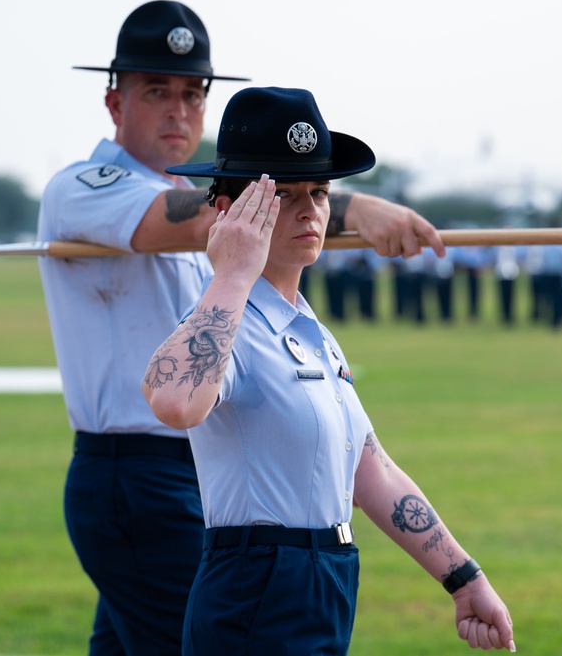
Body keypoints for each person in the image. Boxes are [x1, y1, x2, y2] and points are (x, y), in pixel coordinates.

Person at [36, 1, 446, 656]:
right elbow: (189, 215)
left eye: (193, 93)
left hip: (205, 464)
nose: (179, 110)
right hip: (136, 467)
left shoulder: (225, 205)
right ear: (114, 102)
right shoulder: (86, 187)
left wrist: (311, 201)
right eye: (156, 91)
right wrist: (345, 201)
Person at [142, 86, 515, 655]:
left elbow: (371, 472)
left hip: (327, 576)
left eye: (318, 192)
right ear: (228, 209)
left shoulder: (309, 330)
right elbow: (173, 402)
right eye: (283, 195)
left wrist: (464, 578)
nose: (310, 211)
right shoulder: (223, 318)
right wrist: (234, 273)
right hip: (256, 584)